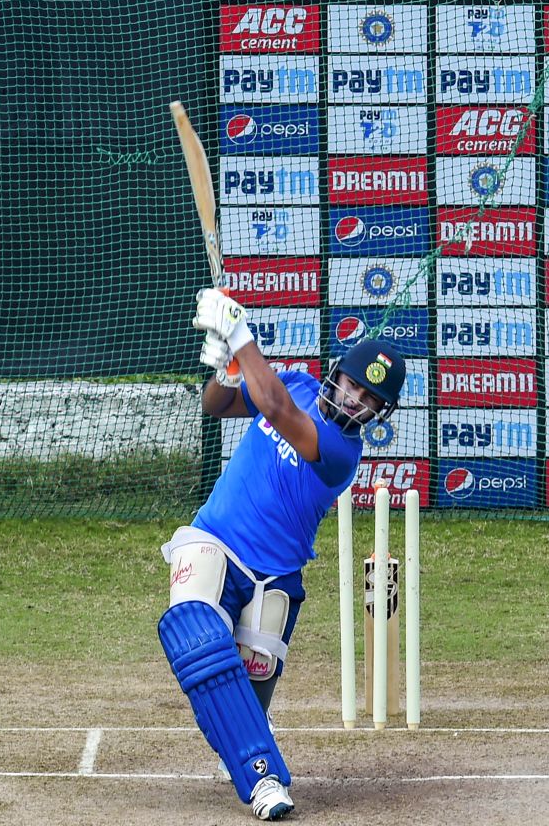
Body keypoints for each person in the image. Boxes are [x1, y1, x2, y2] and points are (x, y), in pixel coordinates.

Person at [158, 288, 406, 821]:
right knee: (195, 637)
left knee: (244, 694)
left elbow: (274, 406)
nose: (357, 401)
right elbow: (216, 405)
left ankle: (246, 736)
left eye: (371, 401)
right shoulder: (296, 382)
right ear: (337, 373)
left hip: (276, 578)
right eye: (354, 386)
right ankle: (263, 778)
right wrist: (227, 366)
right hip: (215, 541)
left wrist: (241, 331)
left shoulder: (341, 453)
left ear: (378, 413)